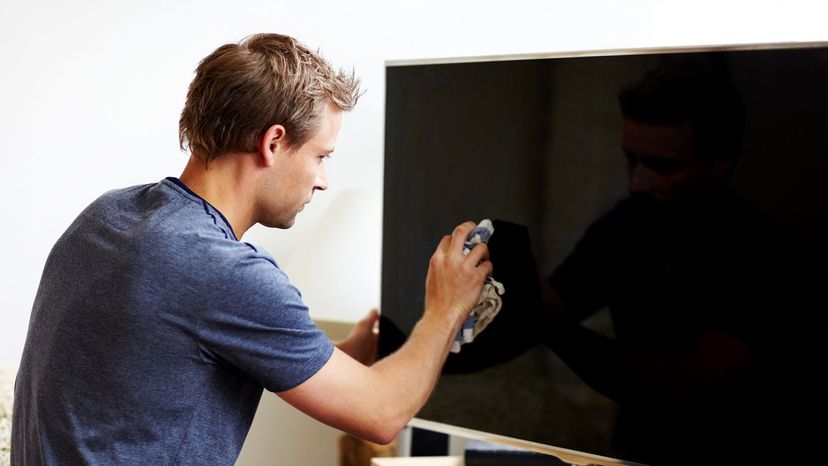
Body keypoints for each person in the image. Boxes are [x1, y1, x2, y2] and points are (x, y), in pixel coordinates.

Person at [12, 33, 492, 465]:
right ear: (273, 142)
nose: (323, 181)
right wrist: (445, 310)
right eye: (321, 157)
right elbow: (382, 415)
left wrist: (356, 350)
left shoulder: (108, 216)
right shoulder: (223, 272)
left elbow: (202, 355)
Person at [540, 65, 818, 465]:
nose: (637, 181)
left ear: (720, 159)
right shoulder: (626, 225)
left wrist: (539, 321)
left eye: (662, 166)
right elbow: (551, 302)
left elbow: (689, 384)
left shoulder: (766, 253)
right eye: (631, 159)